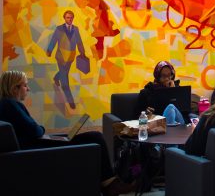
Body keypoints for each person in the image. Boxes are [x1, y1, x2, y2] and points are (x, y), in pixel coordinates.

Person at [0, 70, 133, 196]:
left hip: (35, 146)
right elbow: (35, 131)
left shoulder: (6, 104)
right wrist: (41, 128)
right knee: (96, 137)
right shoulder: (11, 105)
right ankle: (111, 185)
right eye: (25, 85)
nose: (28, 89)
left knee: (93, 136)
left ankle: (109, 183)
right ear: (15, 88)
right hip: (38, 149)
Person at [46, 10, 87, 109]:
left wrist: (82, 52)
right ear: (64, 18)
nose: (70, 19)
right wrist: (49, 50)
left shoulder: (75, 29)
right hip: (61, 57)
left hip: (70, 57)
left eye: (71, 17)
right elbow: (53, 40)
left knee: (63, 72)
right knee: (65, 80)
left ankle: (56, 78)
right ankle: (70, 101)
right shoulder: (59, 29)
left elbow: (79, 42)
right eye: (68, 17)